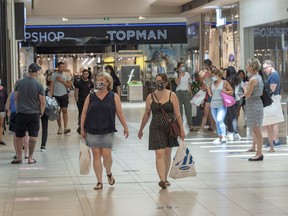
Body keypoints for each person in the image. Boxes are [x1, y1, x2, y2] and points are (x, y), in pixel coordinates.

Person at [81, 72, 129, 190]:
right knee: (96, 155)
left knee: (107, 156)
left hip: (108, 129)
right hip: (92, 129)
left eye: (102, 80)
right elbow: (84, 113)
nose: (100, 82)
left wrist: (125, 127)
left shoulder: (114, 96)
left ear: (108, 83)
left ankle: (108, 172)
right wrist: (82, 129)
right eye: (98, 80)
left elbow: (120, 113)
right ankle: (99, 181)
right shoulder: (90, 96)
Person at [138, 73, 185, 189]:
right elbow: (146, 114)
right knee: (159, 153)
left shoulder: (172, 95)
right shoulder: (150, 97)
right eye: (156, 81)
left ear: (165, 82)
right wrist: (141, 129)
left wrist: (182, 130)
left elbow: (178, 115)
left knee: (167, 153)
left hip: (169, 128)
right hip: (156, 127)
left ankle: (165, 177)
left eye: (160, 81)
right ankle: (162, 179)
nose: (158, 83)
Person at [11, 63, 45, 164]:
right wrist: (41, 113)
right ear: (37, 72)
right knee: (33, 136)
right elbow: (42, 102)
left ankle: (19, 157)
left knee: (19, 135)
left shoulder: (19, 83)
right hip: (34, 113)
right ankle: (30, 158)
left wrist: (18, 109)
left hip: (21, 113)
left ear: (29, 72)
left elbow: (15, 98)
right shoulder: (39, 85)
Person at [206, 68, 233, 144]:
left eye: (213, 75)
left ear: (218, 75)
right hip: (213, 104)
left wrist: (224, 91)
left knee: (219, 120)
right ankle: (219, 137)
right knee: (217, 121)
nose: (212, 77)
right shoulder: (212, 83)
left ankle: (223, 136)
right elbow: (211, 95)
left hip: (222, 104)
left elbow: (231, 91)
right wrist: (208, 88)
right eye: (212, 76)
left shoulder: (224, 82)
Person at [244, 58, 264, 161]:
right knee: (255, 129)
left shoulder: (252, 80)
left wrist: (244, 87)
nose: (246, 67)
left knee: (256, 130)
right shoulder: (258, 77)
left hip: (254, 105)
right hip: (256, 104)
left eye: (248, 65)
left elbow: (247, 95)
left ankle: (259, 153)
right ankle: (257, 151)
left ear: (251, 67)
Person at [263, 60, 281, 150]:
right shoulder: (273, 75)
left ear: (270, 66)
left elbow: (272, 90)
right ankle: (274, 140)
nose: (265, 70)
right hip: (273, 99)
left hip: (273, 99)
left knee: (274, 121)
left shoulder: (274, 75)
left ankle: (275, 140)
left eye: (266, 68)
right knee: (273, 120)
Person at [50, 62, 72, 135]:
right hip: (55, 95)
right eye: (60, 67)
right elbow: (51, 86)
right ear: (58, 67)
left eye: (63, 66)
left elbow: (69, 86)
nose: (62, 68)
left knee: (64, 110)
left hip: (64, 94)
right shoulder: (53, 75)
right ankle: (59, 127)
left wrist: (62, 81)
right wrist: (51, 95)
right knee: (58, 112)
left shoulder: (67, 75)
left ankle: (66, 127)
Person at [174, 62, 195, 131]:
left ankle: (190, 125)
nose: (183, 67)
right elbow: (177, 83)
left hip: (186, 92)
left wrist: (190, 92)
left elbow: (189, 84)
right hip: (179, 92)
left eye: (184, 66)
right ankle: (180, 125)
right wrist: (180, 75)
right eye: (181, 66)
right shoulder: (176, 74)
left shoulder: (187, 74)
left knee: (188, 109)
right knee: (179, 110)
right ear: (178, 68)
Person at [74, 69, 94, 134]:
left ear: (88, 75)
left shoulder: (90, 82)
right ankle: (80, 126)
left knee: (88, 113)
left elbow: (92, 91)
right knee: (81, 113)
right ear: (82, 74)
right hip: (81, 100)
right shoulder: (78, 82)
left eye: (86, 74)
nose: (85, 75)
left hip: (88, 101)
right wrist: (77, 99)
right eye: (84, 74)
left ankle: (87, 126)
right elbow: (76, 91)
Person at [225, 66, 242, 141]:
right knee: (234, 116)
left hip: (229, 99)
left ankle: (233, 132)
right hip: (237, 100)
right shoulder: (238, 79)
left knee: (230, 116)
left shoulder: (227, 80)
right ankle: (233, 132)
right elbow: (243, 87)